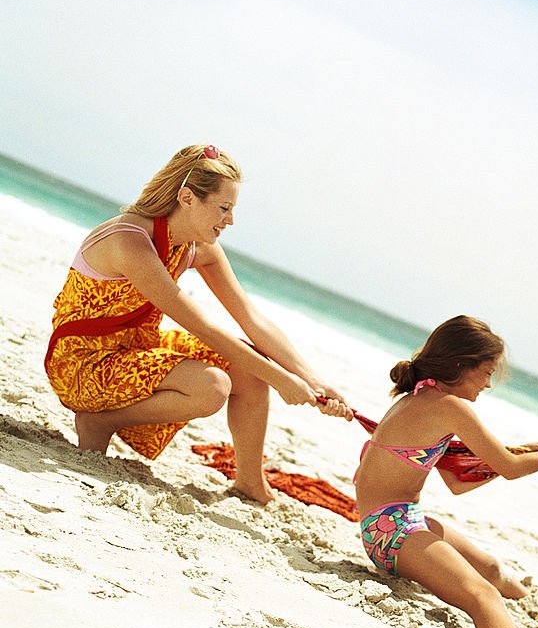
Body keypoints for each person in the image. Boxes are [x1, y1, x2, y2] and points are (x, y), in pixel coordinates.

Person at [45, 144, 351, 503]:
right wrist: (283, 380)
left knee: (249, 369)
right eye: (224, 208)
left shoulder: (196, 245)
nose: (231, 220)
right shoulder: (130, 242)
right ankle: (101, 421)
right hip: (82, 364)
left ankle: (250, 482)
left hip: (135, 351)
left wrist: (312, 380)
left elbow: (250, 318)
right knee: (213, 386)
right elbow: (204, 327)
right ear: (187, 197)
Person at [355, 315, 538, 628]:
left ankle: (536, 612)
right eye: (486, 372)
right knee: (481, 596)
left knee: (493, 570)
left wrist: (525, 453)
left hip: (406, 520)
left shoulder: (423, 395)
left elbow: (459, 482)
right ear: (460, 365)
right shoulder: (448, 406)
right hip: (390, 532)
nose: (488, 383)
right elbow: (510, 470)